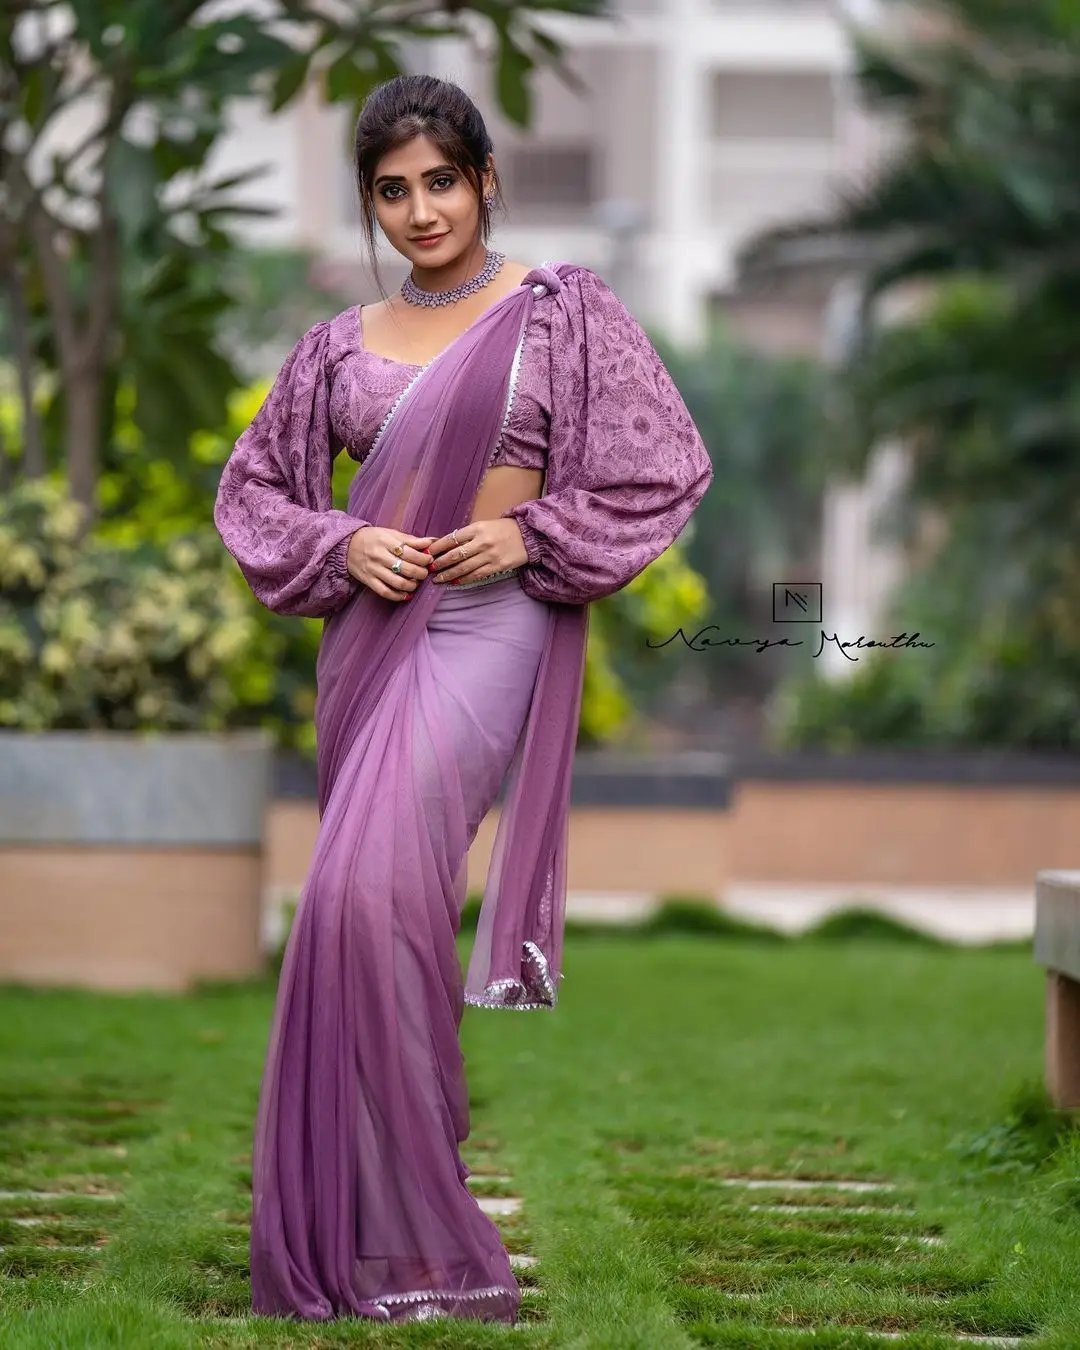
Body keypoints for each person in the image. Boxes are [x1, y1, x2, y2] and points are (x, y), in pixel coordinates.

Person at [213, 72, 713, 1326]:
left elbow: (662, 467)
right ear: (372, 204)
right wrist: (341, 548)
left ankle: (417, 1226)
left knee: (364, 885)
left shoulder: (561, 315)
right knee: (355, 909)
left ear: (486, 179)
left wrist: (533, 534)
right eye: (393, 190)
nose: (421, 209)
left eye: (443, 180)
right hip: (375, 634)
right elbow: (256, 495)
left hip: (495, 626)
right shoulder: (335, 344)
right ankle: (373, 1232)